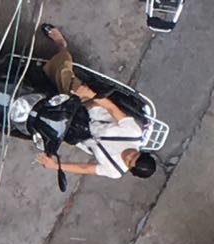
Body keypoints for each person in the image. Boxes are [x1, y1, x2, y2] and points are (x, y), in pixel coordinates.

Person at [34, 26, 156, 181]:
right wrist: (89, 94)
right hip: (89, 107)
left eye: (129, 162)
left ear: (130, 169)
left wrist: (56, 166)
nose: (129, 156)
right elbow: (111, 108)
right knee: (64, 75)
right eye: (134, 155)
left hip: (75, 132)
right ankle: (61, 45)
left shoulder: (114, 170)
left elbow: (86, 168)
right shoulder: (133, 133)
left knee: (39, 132)